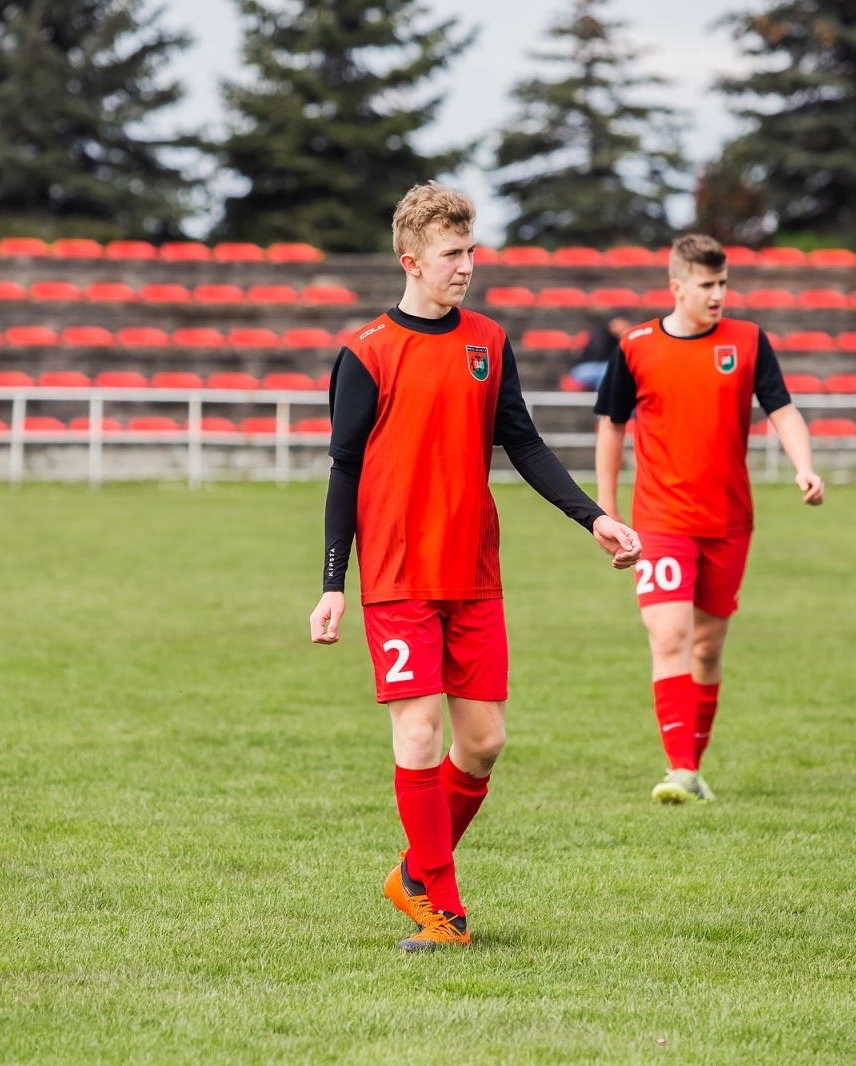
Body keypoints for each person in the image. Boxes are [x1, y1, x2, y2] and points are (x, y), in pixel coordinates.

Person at [309, 183, 642, 952]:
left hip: (473, 574)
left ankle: (415, 872)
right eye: (451, 255)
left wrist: (593, 516)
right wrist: (332, 584)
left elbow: (522, 443)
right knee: (420, 731)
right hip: (397, 575)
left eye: (470, 251)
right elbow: (344, 470)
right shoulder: (366, 354)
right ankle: (445, 910)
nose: (466, 266)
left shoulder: (488, 341)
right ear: (410, 260)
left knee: (485, 740)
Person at [593, 233, 824, 805]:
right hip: (660, 519)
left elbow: (783, 410)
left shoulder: (748, 341)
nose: (717, 295)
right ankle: (679, 769)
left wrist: (805, 466)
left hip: (728, 521)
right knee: (670, 635)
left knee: (707, 647)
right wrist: (607, 509)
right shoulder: (636, 346)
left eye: (722, 284)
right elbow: (611, 426)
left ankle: (692, 769)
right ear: (677, 287)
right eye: (706, 285)